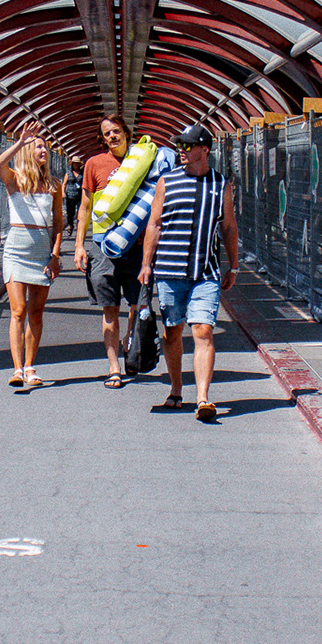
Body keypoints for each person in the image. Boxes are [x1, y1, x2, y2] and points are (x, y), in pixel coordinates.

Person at [139, 124, 239, 421]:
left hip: (204, 272)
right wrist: (146, 264)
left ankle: (203, 398)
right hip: (169, 272)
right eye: (180, 147)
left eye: (186, 147)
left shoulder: (221, 186)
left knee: (203, 331)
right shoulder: (166, 182)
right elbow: (154, 225)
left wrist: (233, 266)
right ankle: (176, 387)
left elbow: (229, 227)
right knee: (173, 333)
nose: (181, 152)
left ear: (204, 150)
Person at [72, 114, 143, 388]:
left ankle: (131, 339)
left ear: (126, 133)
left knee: (138, 305)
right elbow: (85, 207)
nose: (112, 136)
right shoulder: (94, 164)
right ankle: (114, 367)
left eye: (116, 131)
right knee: (109, 309)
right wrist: (79, 245)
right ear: (102, 138)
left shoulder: (141, 161)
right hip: (103, 247)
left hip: (136, 247)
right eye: (107, 133)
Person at [0, 122, 62, 391]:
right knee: (18, 310)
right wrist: (20, 142)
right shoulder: (14, 179)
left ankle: (31, 366)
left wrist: (55, 255)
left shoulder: (54, 185)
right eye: (38, 147)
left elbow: (58, 223)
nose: (43, 150)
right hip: (16, 249)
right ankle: (17, 368)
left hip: (41, 252)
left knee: (35, 312)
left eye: (44, 146)